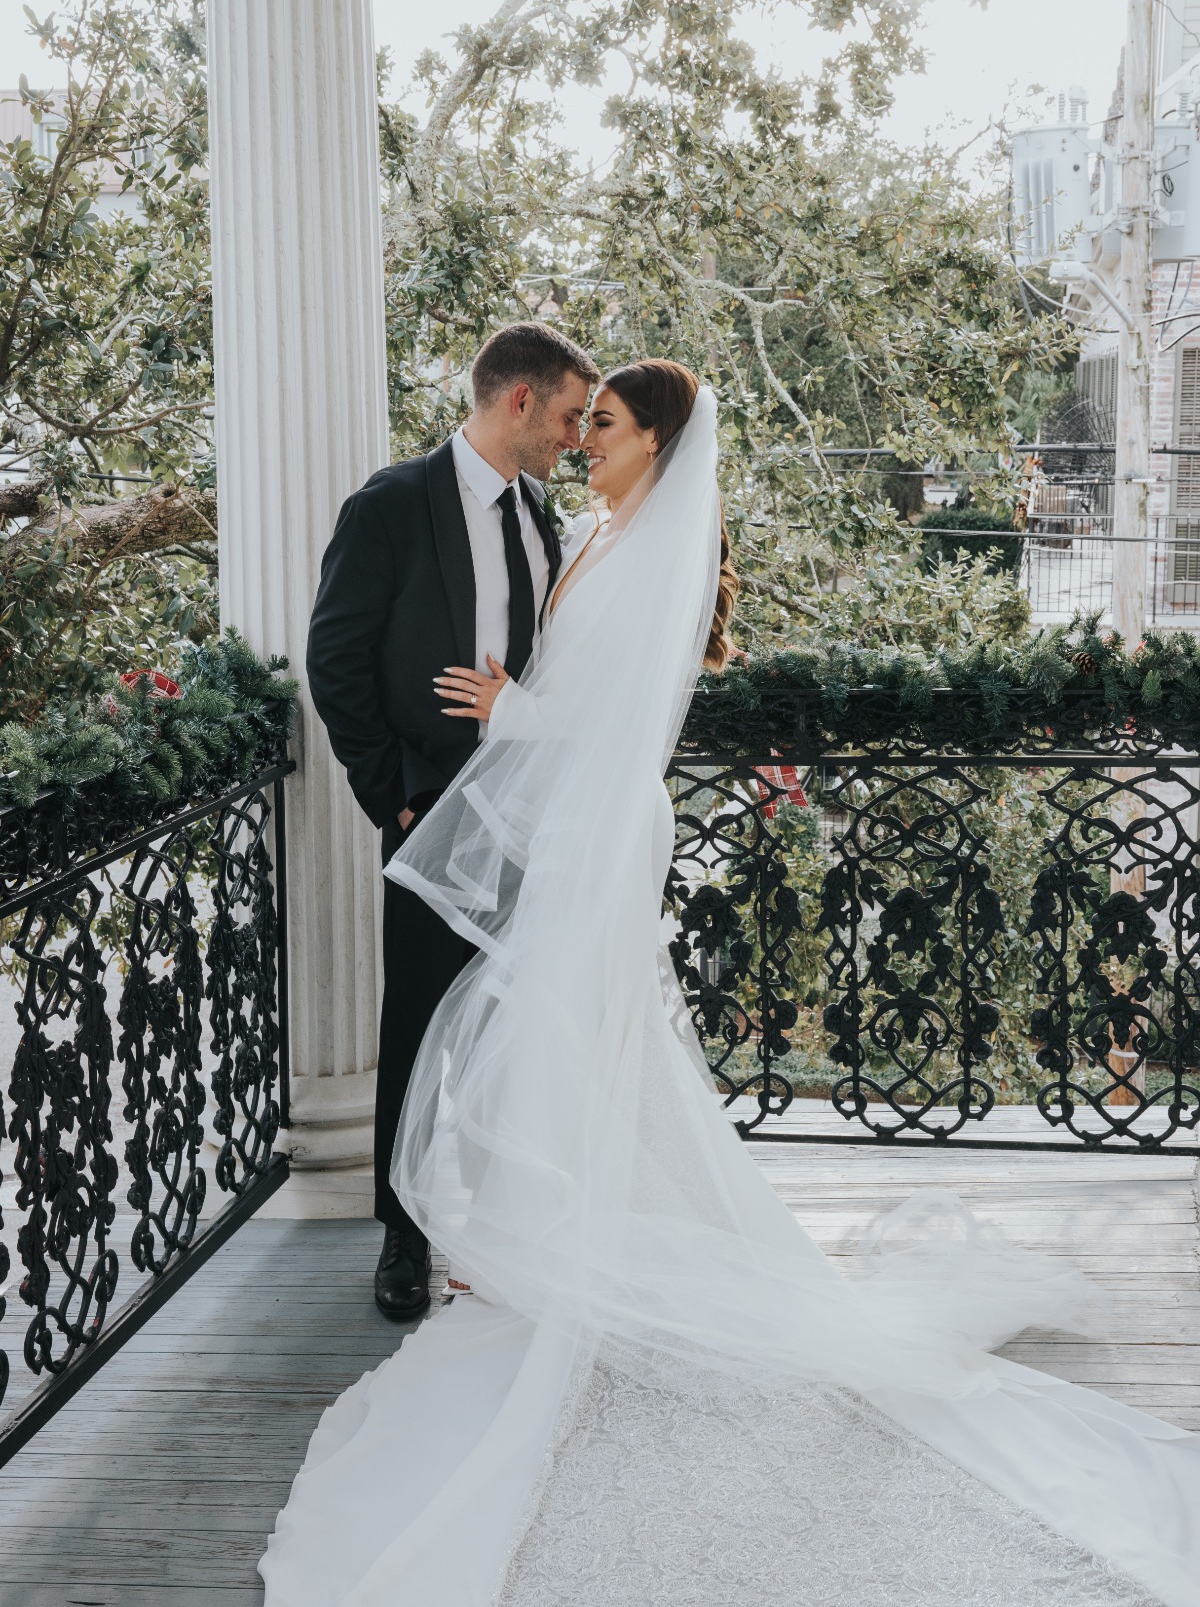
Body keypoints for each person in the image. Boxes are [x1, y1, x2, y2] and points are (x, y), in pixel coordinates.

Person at [267, 361, 1200, 1606]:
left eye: (603, 423)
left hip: (597, 827)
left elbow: (622, 726)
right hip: (555, 830)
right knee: (552, 1035)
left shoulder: (654, 549)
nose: (581, 436)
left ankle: (570, 1242)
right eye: (577, 417)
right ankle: (534, 1234)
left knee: (570, 1031)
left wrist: (506, 711)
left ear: (657, 440)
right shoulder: (586, 527)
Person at [305, 320, 600, 1317]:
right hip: (428, 809)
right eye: (567, 416)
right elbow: (335, 662)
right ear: (518, 400)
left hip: (527, 815)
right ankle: (402, 1236)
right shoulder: (391, 505)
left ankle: (501, 1222)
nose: (575, 437)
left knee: (508, 1026)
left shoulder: (542, 517)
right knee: (419, 1021)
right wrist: (393, 793)